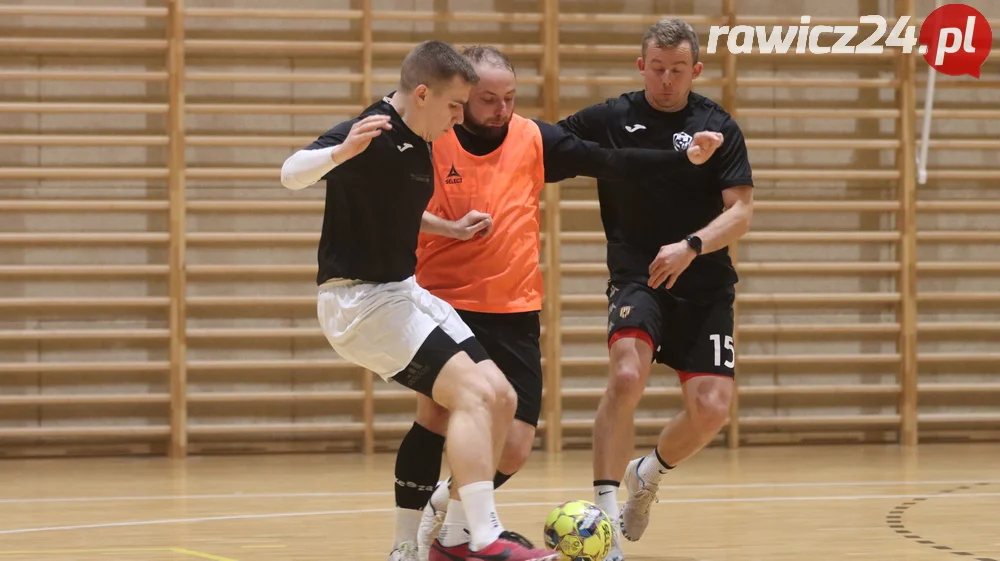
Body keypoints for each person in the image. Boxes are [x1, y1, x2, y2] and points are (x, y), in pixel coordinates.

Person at [383, 45, 726, 561]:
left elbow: (609, 160)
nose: (501, 109)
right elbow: (390, 207)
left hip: (515, 309)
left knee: (516, 445)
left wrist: (682, 158)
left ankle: (451, 527)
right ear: (462, 97)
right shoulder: (432, 136)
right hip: (444, 304)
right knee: (436, 418)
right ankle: (406, 544)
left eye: (510, 98)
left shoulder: (532, 137)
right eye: (488, 99)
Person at [279, 40, 561, 561]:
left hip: (400, 291)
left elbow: (396, 208)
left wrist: (447, 228)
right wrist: (340, 153)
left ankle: (442, 541)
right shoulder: (375, 129)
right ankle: (482, 537)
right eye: (456, 106)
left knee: (500, 395)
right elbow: (291, 171)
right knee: (474, 394)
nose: (460, 120)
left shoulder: (421, 135)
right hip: (358, 302)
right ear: (425, 93)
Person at [557, 18, 754, 561]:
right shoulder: (611, 117)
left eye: (678, 70)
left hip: (704, 281)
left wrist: (691, 245)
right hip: (637, 275)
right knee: (625, 376)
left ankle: (647, 473)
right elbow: (547, 146)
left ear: (697, 70)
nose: (667, 80)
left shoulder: (718, 125)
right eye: (658, 69)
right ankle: (604, 524)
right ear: (642, 66)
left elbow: (740, 213)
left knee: (712, 409)